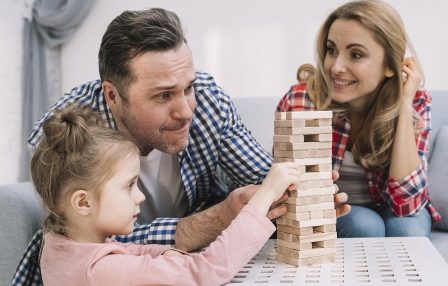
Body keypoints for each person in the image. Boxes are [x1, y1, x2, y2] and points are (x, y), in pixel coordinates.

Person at [13, 7, 350, 285]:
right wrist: (217, 219)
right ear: (112, 96)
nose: (187, 110)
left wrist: (300, 198)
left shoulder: (206, 100)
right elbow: (82, 237)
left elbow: (267, 178)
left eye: (187, 88)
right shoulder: (66, 136)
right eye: (163, 96)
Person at [31, 104, 301, 285]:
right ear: (83, 202)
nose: (140, 197)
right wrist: (264, 195)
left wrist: (165, 255)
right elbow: (205, 272)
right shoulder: (99, 271)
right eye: (129, 186)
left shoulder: (60, 244)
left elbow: (128, 251)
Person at [276, 0, 441, 238]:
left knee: (407, 228)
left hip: (392, 206)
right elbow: (288, 190)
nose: (335, 67)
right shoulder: (303, 99)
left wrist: (404, 104)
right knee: (365, 225)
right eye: (331, 50)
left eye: (355, 54)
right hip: (335, 208)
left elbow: (408, 204)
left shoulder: (415, 101)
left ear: (390, 66)